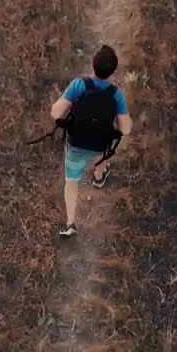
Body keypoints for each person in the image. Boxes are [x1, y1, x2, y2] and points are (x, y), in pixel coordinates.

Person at [49, 44, 133, 237]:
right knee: (103, 155)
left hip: (76, 144)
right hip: (100, 144)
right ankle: (98, 177)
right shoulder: (116, 95)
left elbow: (55, 112)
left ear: (93, 65)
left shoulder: (79, 85)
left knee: (71, 181)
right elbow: (125, 129)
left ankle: (70, 224)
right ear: (113, 71)